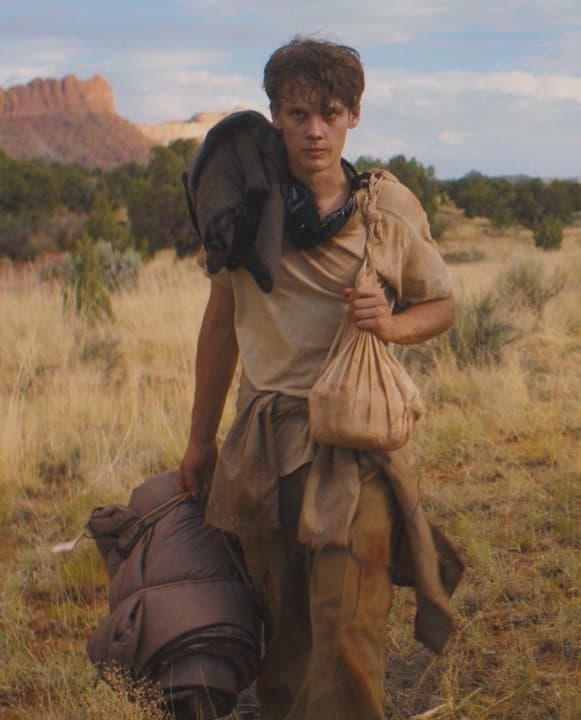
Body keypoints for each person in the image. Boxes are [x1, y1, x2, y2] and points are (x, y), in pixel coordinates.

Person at [178, 37, 461, 720]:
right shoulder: (243, 210)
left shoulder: (386, 210)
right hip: (264, 447)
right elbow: (221, 326)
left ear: (353, 116)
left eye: (330, 114)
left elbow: (443, 305)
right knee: (287, 639)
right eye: (298, 113)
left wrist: (390, 324)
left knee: (349, 635)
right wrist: (199, 441)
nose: (314, 131)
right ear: (275, 114)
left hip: (352, 448)